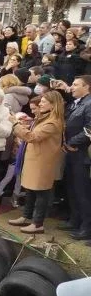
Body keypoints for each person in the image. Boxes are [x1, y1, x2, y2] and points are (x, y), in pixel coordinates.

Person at [7, 91, 65, 234]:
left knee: (41, 193)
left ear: (53, 104)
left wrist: (15, 123)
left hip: (43, 161)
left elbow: (32, 137)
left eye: (44, 102)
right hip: (35, 160)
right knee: (31, 190)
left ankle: (38, 223)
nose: (41, 104)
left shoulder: (53, 122)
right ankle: (26, 216)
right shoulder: (43, 118)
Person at [64, 76, 91, 241]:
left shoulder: (89, 104)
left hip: (81, 153)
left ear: (87, 87)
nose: (71, 87)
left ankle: (86, 227)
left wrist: (72, 142)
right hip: (71, 152)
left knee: (82, 191)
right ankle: (74, 220)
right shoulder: (77, 103)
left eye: (75, 85)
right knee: (72, 188)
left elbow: (89, 129)